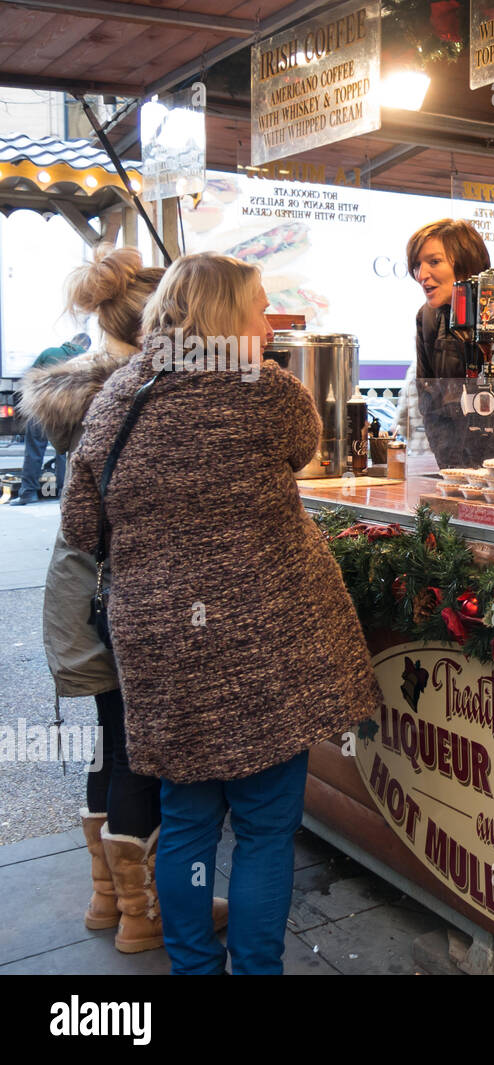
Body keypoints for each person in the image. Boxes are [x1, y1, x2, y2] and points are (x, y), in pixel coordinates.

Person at [61, 251, 382, 975]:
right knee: (267, 829)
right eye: (259, 310)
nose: (268, 325)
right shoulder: (267, 391)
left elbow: (81, 524)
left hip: (163, 645)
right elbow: (307, 448)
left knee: (187, 823)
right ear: (226, 318)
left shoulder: (121, 392)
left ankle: (194, 968)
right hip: (265, 639)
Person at [19, 248, 219, 954]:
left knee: (112, 738)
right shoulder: (137, 396)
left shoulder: (77, 392)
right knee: (144, 748)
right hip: (129, 593)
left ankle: (110, 899)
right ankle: (145, 913)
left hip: (83, 590)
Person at [406, 219, 494, 469]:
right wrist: (453, 470)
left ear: (467, 262)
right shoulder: (427, 316)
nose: (421, 275)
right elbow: (430, 404)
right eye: (416, 265)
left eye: (434, 262)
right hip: (456, 469)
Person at [13, 333, 91, 505]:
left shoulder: (49, 352)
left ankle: (28, 493)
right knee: (64, 453)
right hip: (66, 412)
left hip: (41, 409)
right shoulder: (87, 360)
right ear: (85, 347)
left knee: (34, 450)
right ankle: (64, 493)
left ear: (70, 342)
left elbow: (29, 377)